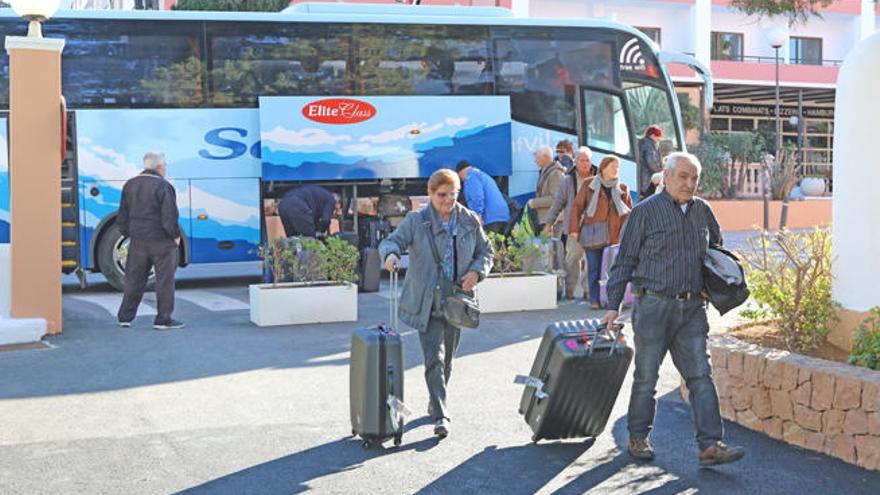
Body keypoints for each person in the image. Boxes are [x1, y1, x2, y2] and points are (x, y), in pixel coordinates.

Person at [602, 152, 746, 466]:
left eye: (694, 177)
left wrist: (723, 286)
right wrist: (612, 307)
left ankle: (710, 445)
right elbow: (623, 261)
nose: (689, 183)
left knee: (701, 377)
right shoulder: (644, 213)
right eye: (683, 176)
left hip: (693, 308)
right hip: (653, 306)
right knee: (647, 378)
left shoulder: (703, 210)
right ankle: (638, 437)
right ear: (666, 177)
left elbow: (716, 252)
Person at [379, 169, 493, 439]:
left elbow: (486, 251)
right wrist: (391, 255)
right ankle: (441, 415)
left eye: (452, 194)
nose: (447, 201)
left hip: (457, 301)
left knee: (449, 360)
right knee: (434, 359)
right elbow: (392, 241)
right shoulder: (416, 220)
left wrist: (477, 272)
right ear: (430, 194)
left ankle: (435, 399)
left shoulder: (469, 220)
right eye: (441, 195)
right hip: (426, 300)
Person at [116, 152, 183, 330]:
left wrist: (130, 233)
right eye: (165, 166)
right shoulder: (163, 186)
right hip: (161, 242)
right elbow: (169, 217)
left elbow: (122, 216)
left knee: (134, 279)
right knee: (164, 281)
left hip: (138, 241)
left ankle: (125, 317)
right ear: (159, 167)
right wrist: (176, 236)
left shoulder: (130, 185)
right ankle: (163, 319)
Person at [569, 155, 632, 309]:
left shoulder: (622, 188)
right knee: (594, 269)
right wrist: (574, 229)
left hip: (614, 235)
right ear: (603, 168)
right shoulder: (589, 184)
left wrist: (628, 235)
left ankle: (611, 299)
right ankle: (595, 300)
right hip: (592, 234)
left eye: (618, 167)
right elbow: (577, 207)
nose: (616, 170)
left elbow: (629, 214)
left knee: (612, 270)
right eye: (613, 167)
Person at [543, 146, 593, 299]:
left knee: (592, 259)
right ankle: (570, 289)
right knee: (572, 258)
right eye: (582, 160)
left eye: (588, 160)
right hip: (573, 226)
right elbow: (558, 203)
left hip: (594, 226)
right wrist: (548, 223)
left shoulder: (598, 177)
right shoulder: (568, 180)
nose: (585, 164)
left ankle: (588, 290)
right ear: (575, 161)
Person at [456, 160, 510, 235]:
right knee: (500, 245)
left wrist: (477, 215)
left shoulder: (470, 177)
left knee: (490, 245)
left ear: (460, 173)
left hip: (490, 218)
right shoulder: (482, 175)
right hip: (503, 216)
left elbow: (476, 196)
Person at [528, 146, 566, 235]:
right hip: (547, 220)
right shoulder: (548, 172)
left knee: (550, 248)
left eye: (537, 158)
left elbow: (556, 199)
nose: (535, 161)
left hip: (553, 223)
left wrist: (534, 203)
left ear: (546, 157)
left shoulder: (556, 173)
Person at [638, 125, 664, 200]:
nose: (658, 140)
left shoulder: (643, 143)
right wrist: (660, 171)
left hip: (643, 178)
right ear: (652, 135)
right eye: (658, 137)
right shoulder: (649, 145)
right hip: (647, 179)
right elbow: (651, 162)